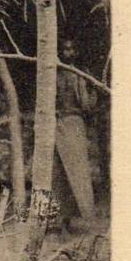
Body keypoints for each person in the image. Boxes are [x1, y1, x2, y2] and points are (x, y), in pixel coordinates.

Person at [53, 38, 97, 227]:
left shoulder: (82, 74)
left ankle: (79, 218)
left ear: (76, 52)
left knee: (78, 171)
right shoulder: (53, 74)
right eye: (64, 49)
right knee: (57, 173)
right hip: (56, 124)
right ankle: (57, 221)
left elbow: (89, 104)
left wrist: (91, 94)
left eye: (71, 50)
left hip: (75, 124)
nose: (67, 53)